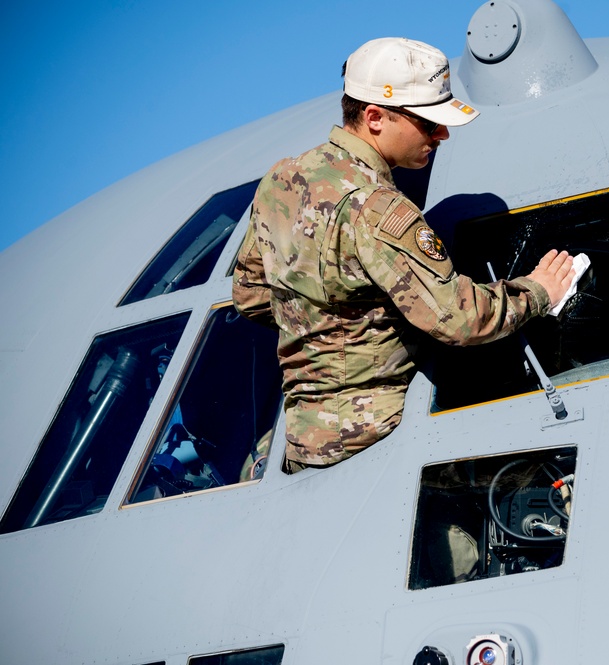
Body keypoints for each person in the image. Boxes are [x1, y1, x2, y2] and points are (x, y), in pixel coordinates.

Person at [233, 37, 575, 474]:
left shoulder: (281, 180)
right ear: (375, 118)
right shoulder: (379, 209)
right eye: (428, 123)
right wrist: (539, 291)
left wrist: (329, 317)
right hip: (376, 440)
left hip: (303, 445)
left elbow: (250, 296)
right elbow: (460, 319)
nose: (443, 134)